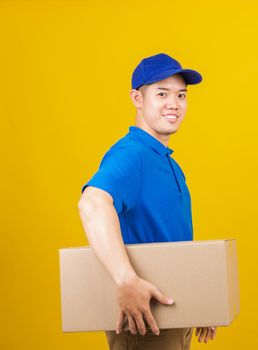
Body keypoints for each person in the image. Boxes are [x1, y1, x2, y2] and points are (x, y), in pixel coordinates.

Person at [78, 53, 216, 350]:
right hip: (145, 320)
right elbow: (92, 203)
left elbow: (170, 240)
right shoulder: (132, 155)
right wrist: (126, 280)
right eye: (161, 93)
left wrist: (197, 301)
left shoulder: (167, 161)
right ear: (137, 99)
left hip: (173, 315)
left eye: (181, 95)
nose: (174, 104)